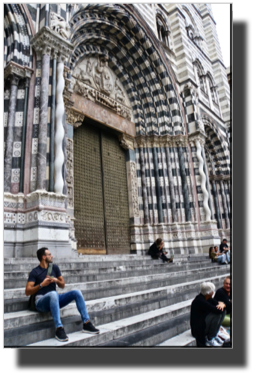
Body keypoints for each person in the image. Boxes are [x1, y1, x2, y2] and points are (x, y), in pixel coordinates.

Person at [25, 247, 100, 342]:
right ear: (43, 257)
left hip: (55, 299)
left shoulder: (54, 267)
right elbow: (27, 291)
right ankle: (59, 329)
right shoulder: (35, 272)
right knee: (53, 294)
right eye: (49, 254)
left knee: (76, 292)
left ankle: (86, 323)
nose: (52, 256)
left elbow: (63, 285)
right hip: (41, 301)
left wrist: (55, 280)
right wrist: (41, 285)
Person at [190, 281, 227, 347]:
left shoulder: (206, 297)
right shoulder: (200, 301)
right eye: (213, 291)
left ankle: (214, 335)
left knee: (223, 311)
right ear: (210, 293)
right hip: (199, 329)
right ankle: (210, 338)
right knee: (218, 313)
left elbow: (219, 303)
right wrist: (222, 305)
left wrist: (223, 305)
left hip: (203, 324)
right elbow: (218, 310)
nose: (213, 292)